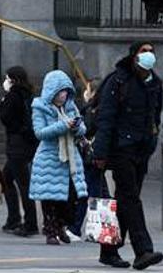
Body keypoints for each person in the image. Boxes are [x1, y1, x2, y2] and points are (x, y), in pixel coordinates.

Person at [92, 41, 163, 270]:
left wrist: (152, 140)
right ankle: (143, 250)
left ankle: (109, 251)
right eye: (144, 51)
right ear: (134, 55)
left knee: (125, 201)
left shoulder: (155, 83)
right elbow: (105, 118)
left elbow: (155, 117)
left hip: (141, 149)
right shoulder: (118, 81)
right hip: (120, 148)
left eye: (151, 51)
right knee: (130, 198)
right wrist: (100, 153)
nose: (149, 55)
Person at [29, 70, 88, 245]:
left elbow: (83, 128)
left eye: (66, 91)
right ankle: (51, 231)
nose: (63, 95)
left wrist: (76, 127)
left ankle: (62, 226)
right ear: (51, 91)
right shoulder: (40, 107)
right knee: (50, 199)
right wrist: (63, 125)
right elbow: (40, 132)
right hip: (49, 158)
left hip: (70, 159)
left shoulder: (70, 107)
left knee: (71, 197)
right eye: (60, 91)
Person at [66, 77, 110, 242]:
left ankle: (76, 228)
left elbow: (87, 129)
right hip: (96, 156)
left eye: (88, 89)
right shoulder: (103, 109)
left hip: (90, 156)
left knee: (87, 192)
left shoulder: (93, 110)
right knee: (99, 193)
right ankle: (101, 229)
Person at [0, 66, 39, 237]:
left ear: (13, 80)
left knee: (22, 184)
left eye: (7, 78)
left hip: (17, 145)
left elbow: (6, 118)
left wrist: (3, 101)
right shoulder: (29, 95)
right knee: (6, 178)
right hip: (28, 143)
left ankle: (30, 223)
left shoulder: (13, 96)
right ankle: (13, 218)